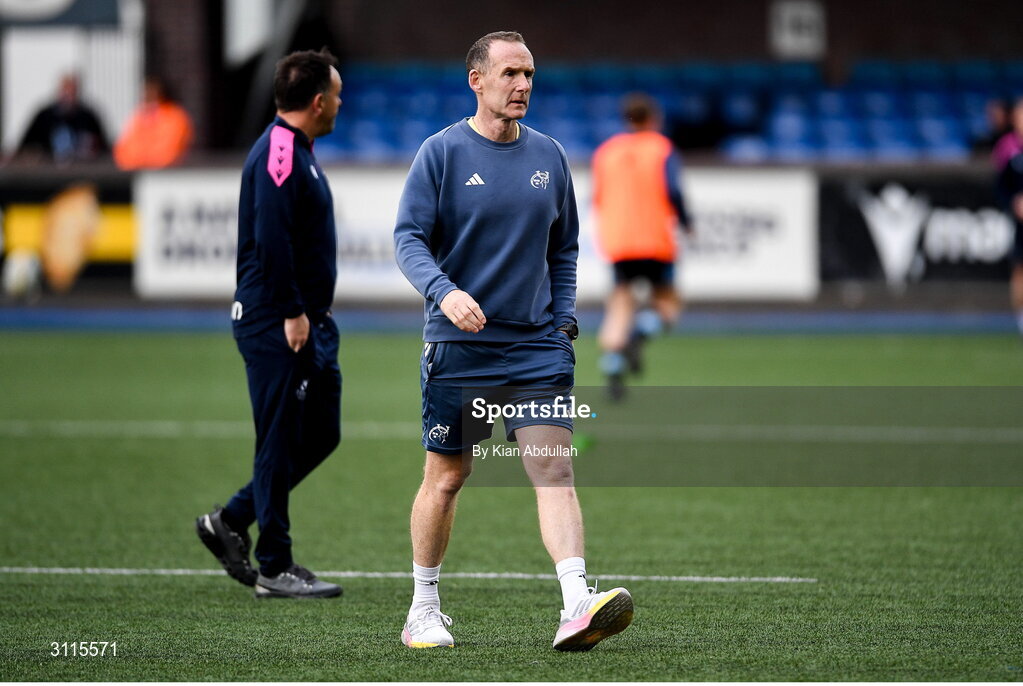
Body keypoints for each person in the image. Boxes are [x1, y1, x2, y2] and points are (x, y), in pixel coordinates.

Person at [393, 31, 633, 651]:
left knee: (554, 470)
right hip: (458, 345)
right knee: (447, 478)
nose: (523, 85)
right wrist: (444, 292)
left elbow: (566, 248)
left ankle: (577, 603)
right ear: (476, 80)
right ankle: (423, 609)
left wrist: (563, 320)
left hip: (536, 347)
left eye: (529, 74)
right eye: (510, 74)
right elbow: (408, 240)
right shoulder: (440, 154)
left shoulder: (550, 156)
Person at [195, 48, 343, 599]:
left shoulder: (295, 149)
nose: (341, 103)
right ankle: (274, 566)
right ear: (317, 100)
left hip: (308, 320)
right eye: (337, 94)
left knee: (321, 433)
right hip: (278, 320)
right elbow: (273, 238)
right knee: (278, 439)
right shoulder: (281, 150)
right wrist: (292, 312)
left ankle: (230, 519)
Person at [591, 94, 692, 400]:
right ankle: (641, 333)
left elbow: (597, 198)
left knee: (621, 303)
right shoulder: (662, 148)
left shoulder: (606, 152)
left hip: (619, 240)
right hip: (654, 239)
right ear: (654, 118)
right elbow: (673, 189)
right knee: (668, 303)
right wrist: (687, 221)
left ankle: (612, 362)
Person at [15, 74, 109, 164]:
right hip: (48, 173)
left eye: (72, 93)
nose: (69, 98)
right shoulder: (44, 117)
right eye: (66, 93)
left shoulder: (88, 117)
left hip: (81, 171)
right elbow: (24, 148)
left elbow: (105, 149)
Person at [113, 75, 193, 170]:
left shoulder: (175, 116)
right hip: (138, 172)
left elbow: (169, 152)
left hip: (166, 175)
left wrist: (145, 159)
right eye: (146, 91)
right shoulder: (140, 116)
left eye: (152, 91)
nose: (147, 95)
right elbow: (124, 149)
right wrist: (136, 160)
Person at [994, 98, 1023, 338]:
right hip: (1021, 221)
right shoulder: (1010, 148)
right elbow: (1002, 186)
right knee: (1019, 268)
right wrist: (1015, 202)